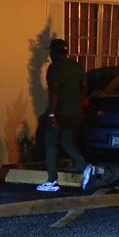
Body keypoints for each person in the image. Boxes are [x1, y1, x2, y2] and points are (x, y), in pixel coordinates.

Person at [37, 39, 93, 192]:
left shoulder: (54, 68)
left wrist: (52, 113)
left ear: (54, 52)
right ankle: (85, 167)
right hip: (75, 113)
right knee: (67, 143)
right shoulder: (77, 66)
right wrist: (77, 102)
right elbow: (84, 87)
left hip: (59, 112)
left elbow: (54, 91)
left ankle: (51, 180)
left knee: (50, 144)